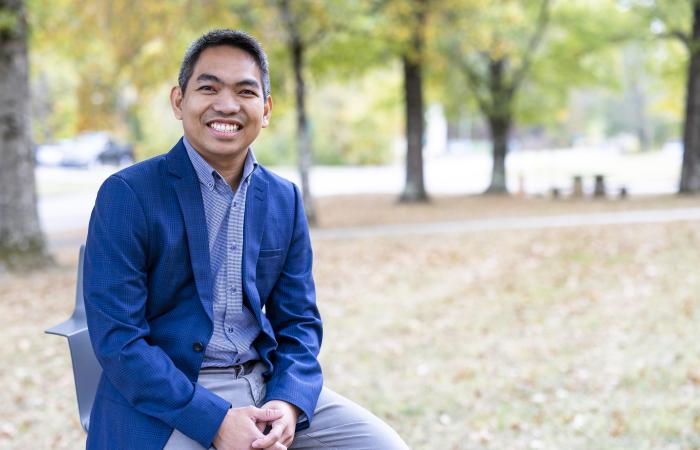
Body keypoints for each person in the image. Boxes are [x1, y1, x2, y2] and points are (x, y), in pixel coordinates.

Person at [83, 29, 408, 450]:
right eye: (209, 87)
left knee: (383, 446)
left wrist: (288, 401)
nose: (227, 105)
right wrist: (215, 420)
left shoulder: (283, 198)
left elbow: (299, 323)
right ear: (179, 101)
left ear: (266, 109)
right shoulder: (128, 194)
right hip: (167, 401)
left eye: (245, 91)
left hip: (264, 387)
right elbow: (119, 340)